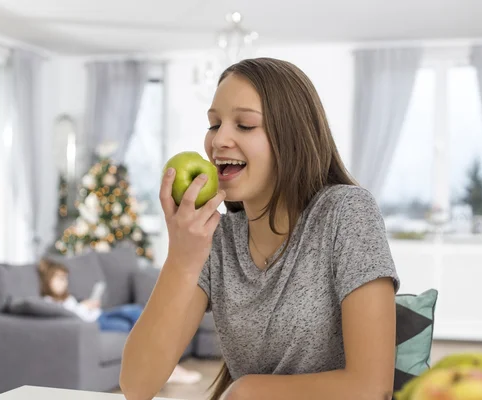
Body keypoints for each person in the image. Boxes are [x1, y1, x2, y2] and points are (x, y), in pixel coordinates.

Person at [120, 57, 400, 400]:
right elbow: (136, 385)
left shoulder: (346, 212)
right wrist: (181, 259)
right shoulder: (217, 241)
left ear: (292, 137)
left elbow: (372, 388)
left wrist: (247, 391)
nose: (219, 140)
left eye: (245, 125)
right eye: (214, 124)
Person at [38, 258, 202, 385]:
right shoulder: (50, 302)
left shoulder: (68, 298)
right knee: (130, 319)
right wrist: (83, 307)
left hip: (98, 315)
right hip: (94, 323)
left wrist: (88, 305)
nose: (63, 282)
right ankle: (167, 369)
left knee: (133, 316)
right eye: (59, 278)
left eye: (65, 278)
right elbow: (71, 316)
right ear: (47, 281)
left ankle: (167, 367)